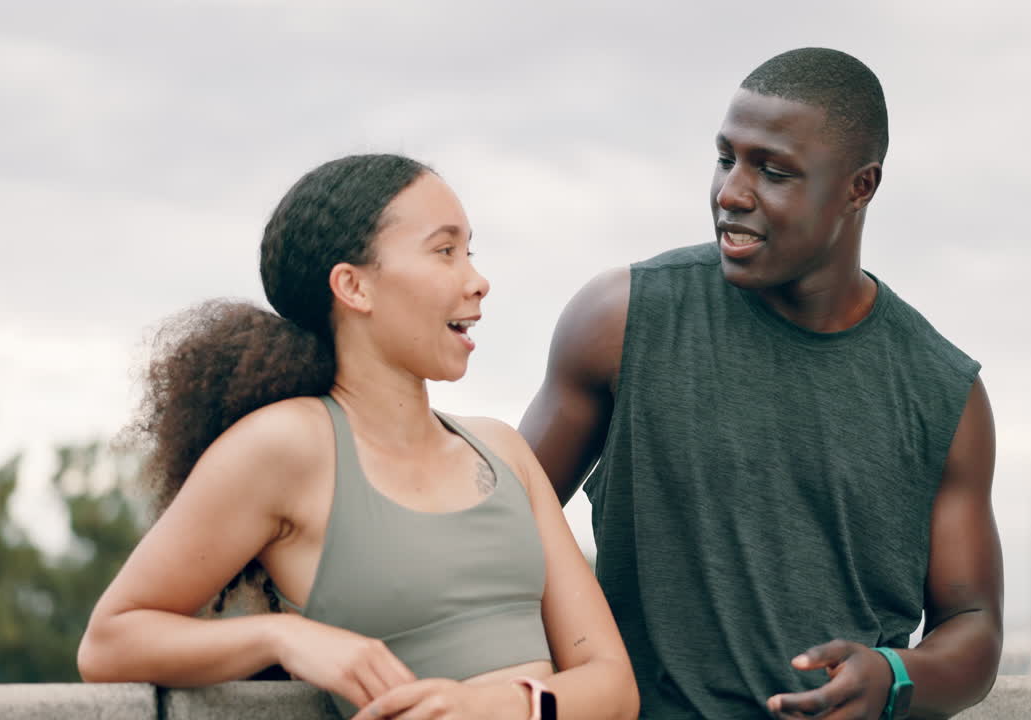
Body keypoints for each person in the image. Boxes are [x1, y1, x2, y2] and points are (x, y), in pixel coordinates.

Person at [520, 48, 1003, 720]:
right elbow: (499, 537)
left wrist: (895, 676)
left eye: (773, 171)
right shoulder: (619, 320)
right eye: (726, 158)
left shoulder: (944, 394)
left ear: (859, 187)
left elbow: (974, 627)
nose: (731, 193)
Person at [77, 154, 638, 720]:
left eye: (470, 251)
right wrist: (280, 638)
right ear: (353, 287)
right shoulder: (283, 448)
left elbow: (613, 687)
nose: (477, 280)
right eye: (445, 251)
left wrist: (494, 707)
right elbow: (111, 641)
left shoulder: (504, 452)